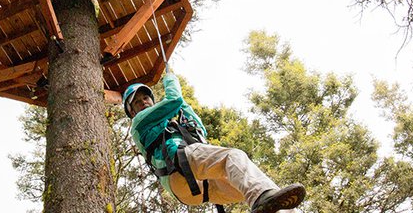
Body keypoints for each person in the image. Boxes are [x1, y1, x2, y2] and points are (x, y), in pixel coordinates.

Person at [123, 71, 306, 213]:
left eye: (146, 98)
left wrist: (182, 106)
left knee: (250, 183)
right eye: (137, 102)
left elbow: (199, 130)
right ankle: (262, 197)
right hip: (179, 162)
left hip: (188, 190)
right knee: (234, 157)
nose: (144, 102)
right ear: (132, 112)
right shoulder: (138, 123)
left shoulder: (169, 124)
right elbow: (174, 99)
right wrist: (171, 80)